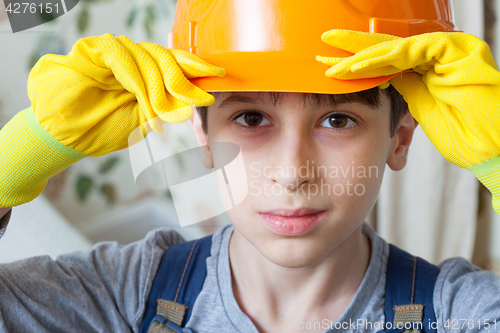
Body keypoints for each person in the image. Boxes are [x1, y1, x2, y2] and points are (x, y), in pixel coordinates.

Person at [1, 0, 500, 332]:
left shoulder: (457, 313)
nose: (292, 172)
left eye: (338, 120)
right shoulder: (127, 292)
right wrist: (20, 156)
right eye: (252, 117)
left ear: (400, 139)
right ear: (203, 137)